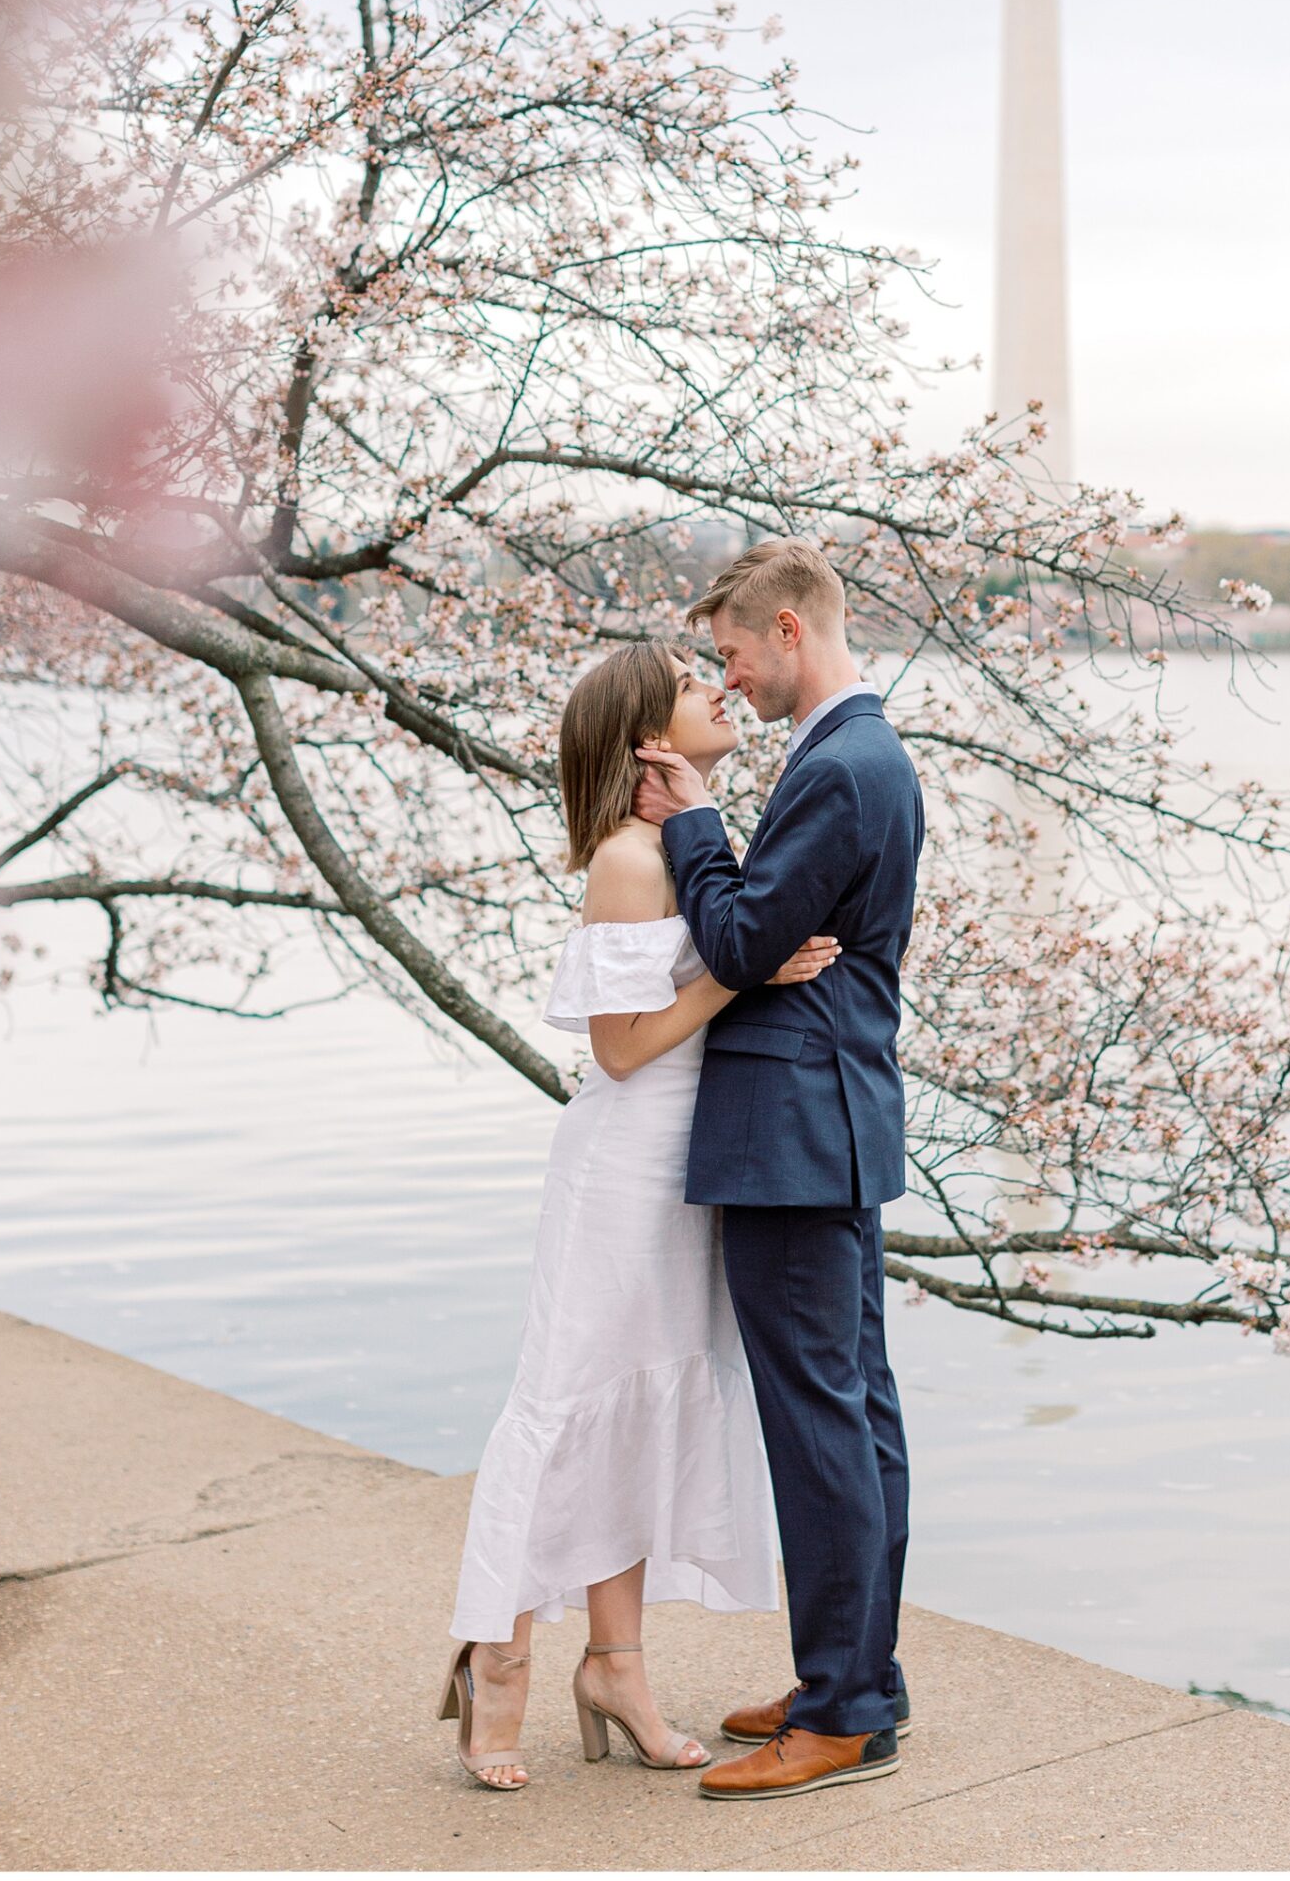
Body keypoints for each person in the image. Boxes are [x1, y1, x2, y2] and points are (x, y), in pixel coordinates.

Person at [440, 641, 839, 1790]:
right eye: (688, 681)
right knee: (568, 1401)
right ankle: (499, 1654)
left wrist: (740, 957)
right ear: (645, 737)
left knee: (636, 1406)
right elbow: (618, 1052)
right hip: (619, 1170)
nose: (718, 687)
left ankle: (617, 1665)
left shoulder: (683, 843)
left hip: (687, 1171)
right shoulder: (626, 860)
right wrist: (744, 969)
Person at [633, 536, 924, 1803]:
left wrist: (693, 822)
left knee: (822, 1420)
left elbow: (747, 937)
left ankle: (845, 1706)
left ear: (794, 631)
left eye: (739, 654)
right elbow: (768, 928)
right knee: (854, 1410)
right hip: (829, 1119)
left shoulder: (846, 765)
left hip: (796, 1133)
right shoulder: (852, 753)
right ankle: (853, 1680)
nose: (731, 679)